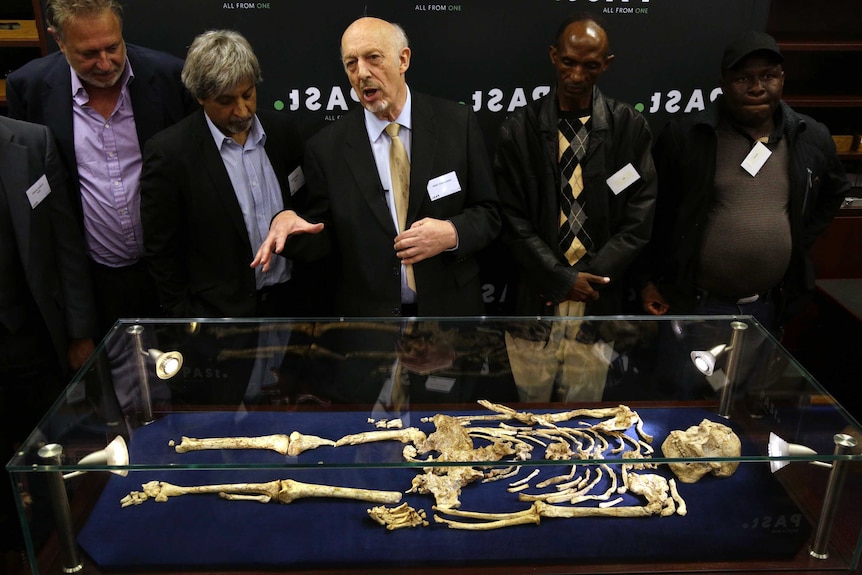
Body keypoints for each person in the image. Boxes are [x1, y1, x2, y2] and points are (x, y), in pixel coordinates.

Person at [638, 31, 850, 401]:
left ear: (782, 78)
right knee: (679, 400)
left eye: (768, 76)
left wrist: (796, 237)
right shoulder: (690, 135)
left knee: (739, 406)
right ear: (722, 84)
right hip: (695, 303)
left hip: (766, 306)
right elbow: (651, 209)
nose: (757, 87)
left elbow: (833, 192)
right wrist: (648, 278)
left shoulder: (810, 136)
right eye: (743, 79)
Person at [252, 16, 500, 317]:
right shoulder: (326, 148)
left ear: (403, 59)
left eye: (373, 58)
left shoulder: (457, 125)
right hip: (369, 326)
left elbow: (489, 213)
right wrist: (291, 227)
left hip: (450, 314)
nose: (362, 73)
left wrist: (452, 232)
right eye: (351, 64)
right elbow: (325, 236)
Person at [6, 0, 196, 335]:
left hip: (173, 271)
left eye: (113, 47)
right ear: (59, 41)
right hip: (92, 282)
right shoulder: (30, 88)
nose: (106, 63)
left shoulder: (169, 77)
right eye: (88, 54)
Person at [492, 15, 656, 402]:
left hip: (597, 298)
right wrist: (561, 278)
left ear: (606, 64)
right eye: (569, 62)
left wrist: (590, 278)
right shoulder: (520, 129)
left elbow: (640, 215)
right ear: (553, 56)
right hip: (536, 296)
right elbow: (508, 216)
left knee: (583, 411)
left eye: (590, 65)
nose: (578, 75)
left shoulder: (628, 127)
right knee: (528, 409)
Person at [140, 30, 306, 318]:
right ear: (201, 98)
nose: (242, 110)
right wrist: (186, 319)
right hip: (218, 318)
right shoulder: (170, 153)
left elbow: (307, 205)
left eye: (247, 94)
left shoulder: (283, 132)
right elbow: (162, 251)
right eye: (226, 101)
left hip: (289, 304)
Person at [0, 116, 96, 569]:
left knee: (45, 462)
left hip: (31, 341)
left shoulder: (32, 142)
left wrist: (79, 332)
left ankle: (51, 550)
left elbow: (65, 243)